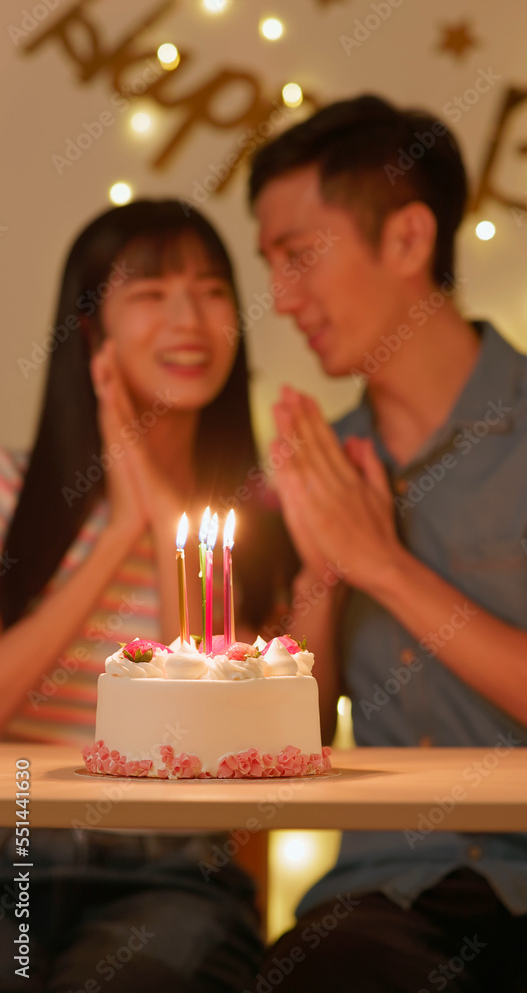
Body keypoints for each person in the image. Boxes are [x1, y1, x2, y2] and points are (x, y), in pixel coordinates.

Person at [248, 96, 527, 991]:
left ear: (407, 241)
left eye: (297, 257)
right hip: (384, 904)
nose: (282, 301)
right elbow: (281, 751)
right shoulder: (324, 472)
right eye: (268, 267)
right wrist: (323, 575)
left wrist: (384, 567)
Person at [0, 199, 286, 991]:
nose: (189, 319)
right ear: (91, 331)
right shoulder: (9, 491)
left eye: (212, 289)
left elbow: (210, 744)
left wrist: (163, 523)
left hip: (170, 873)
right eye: (151, 293)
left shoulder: (259, 526)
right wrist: (119, 530)